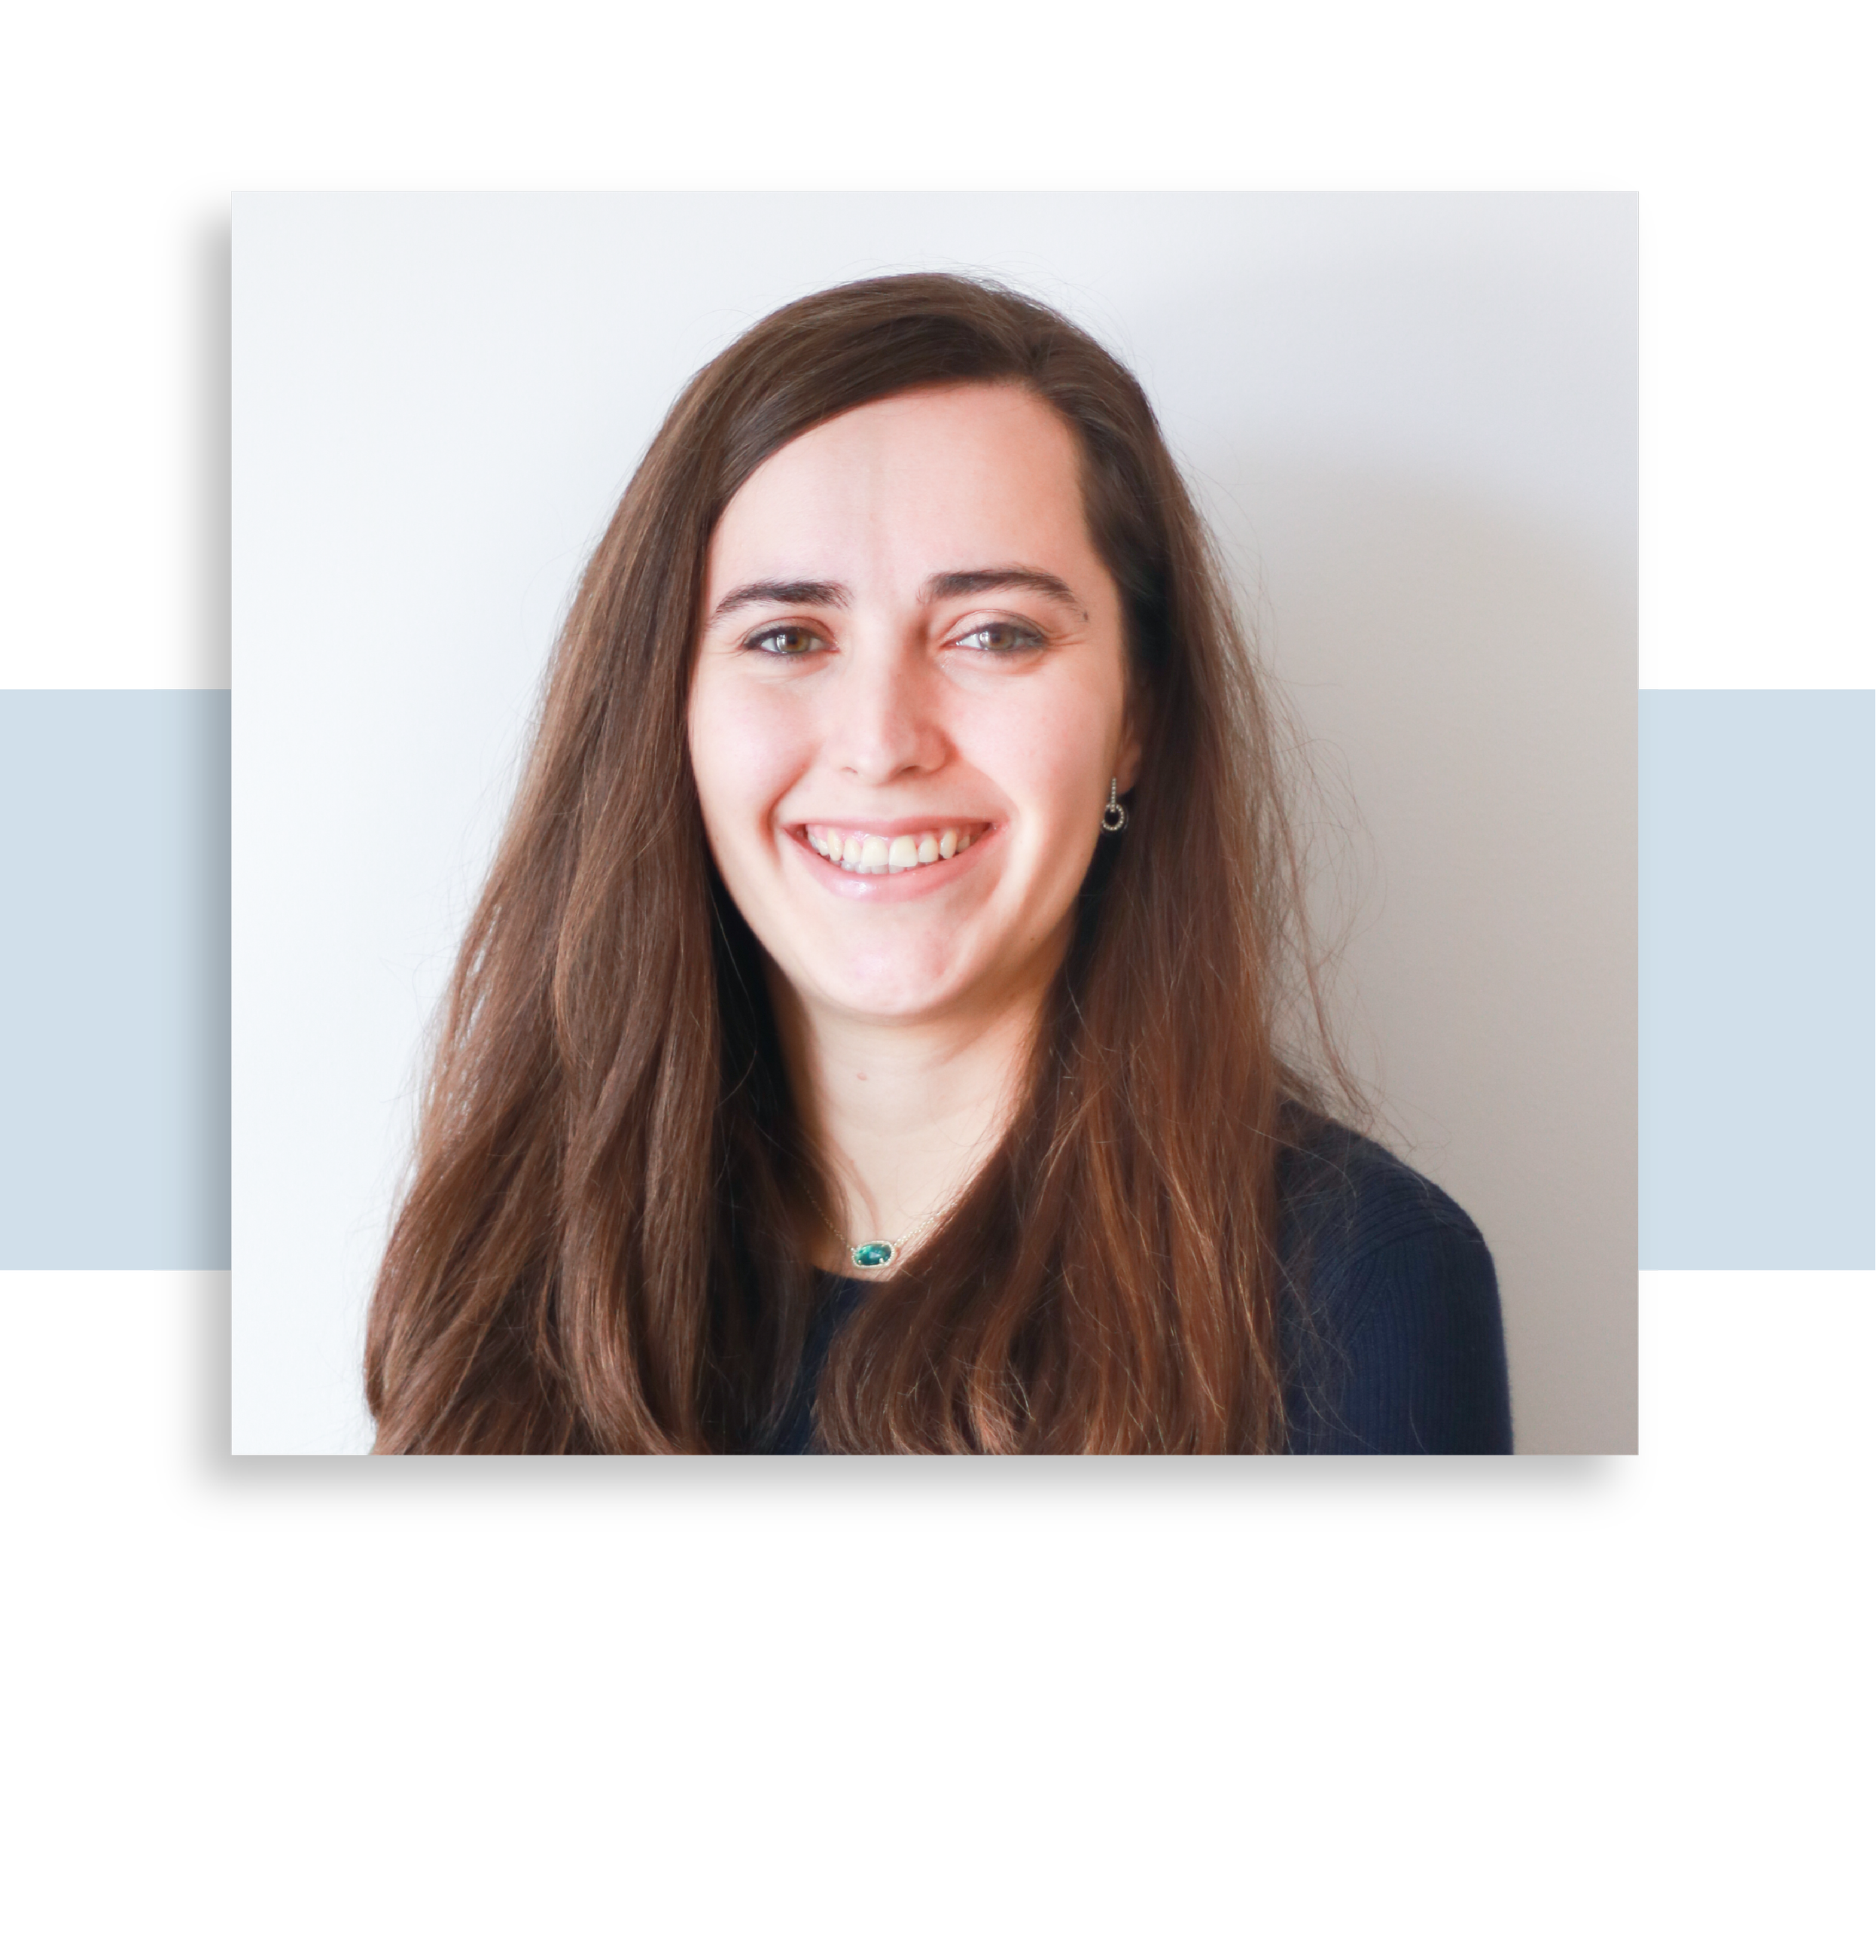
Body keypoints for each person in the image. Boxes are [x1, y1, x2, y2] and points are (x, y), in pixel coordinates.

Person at [364, 273, 1512, 1456]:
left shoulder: (1363, 1287)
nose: (880, 742)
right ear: (669, 712)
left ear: (1136, 721)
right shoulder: (505, 1266)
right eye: (787, 636)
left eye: (995, 633)